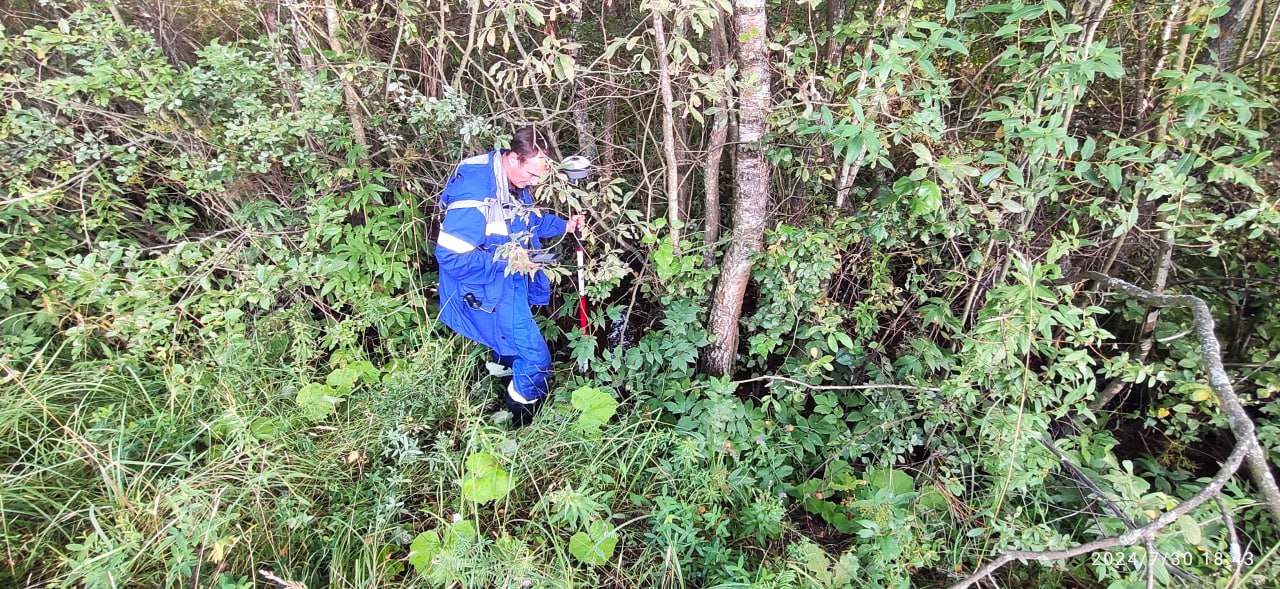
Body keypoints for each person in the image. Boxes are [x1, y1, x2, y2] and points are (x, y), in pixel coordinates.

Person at [434, 126, 585, 427]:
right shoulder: (475, 197)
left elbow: (526, 220)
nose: (534, 182)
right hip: (487, 289)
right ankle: (519, 418)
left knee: (511, 345)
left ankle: (502, 375)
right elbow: (451, 257)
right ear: (514, 158)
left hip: (505, 282)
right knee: (537, 360)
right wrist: (510, 261)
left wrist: (565, 226)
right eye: (532, 175)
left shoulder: (511, 180)